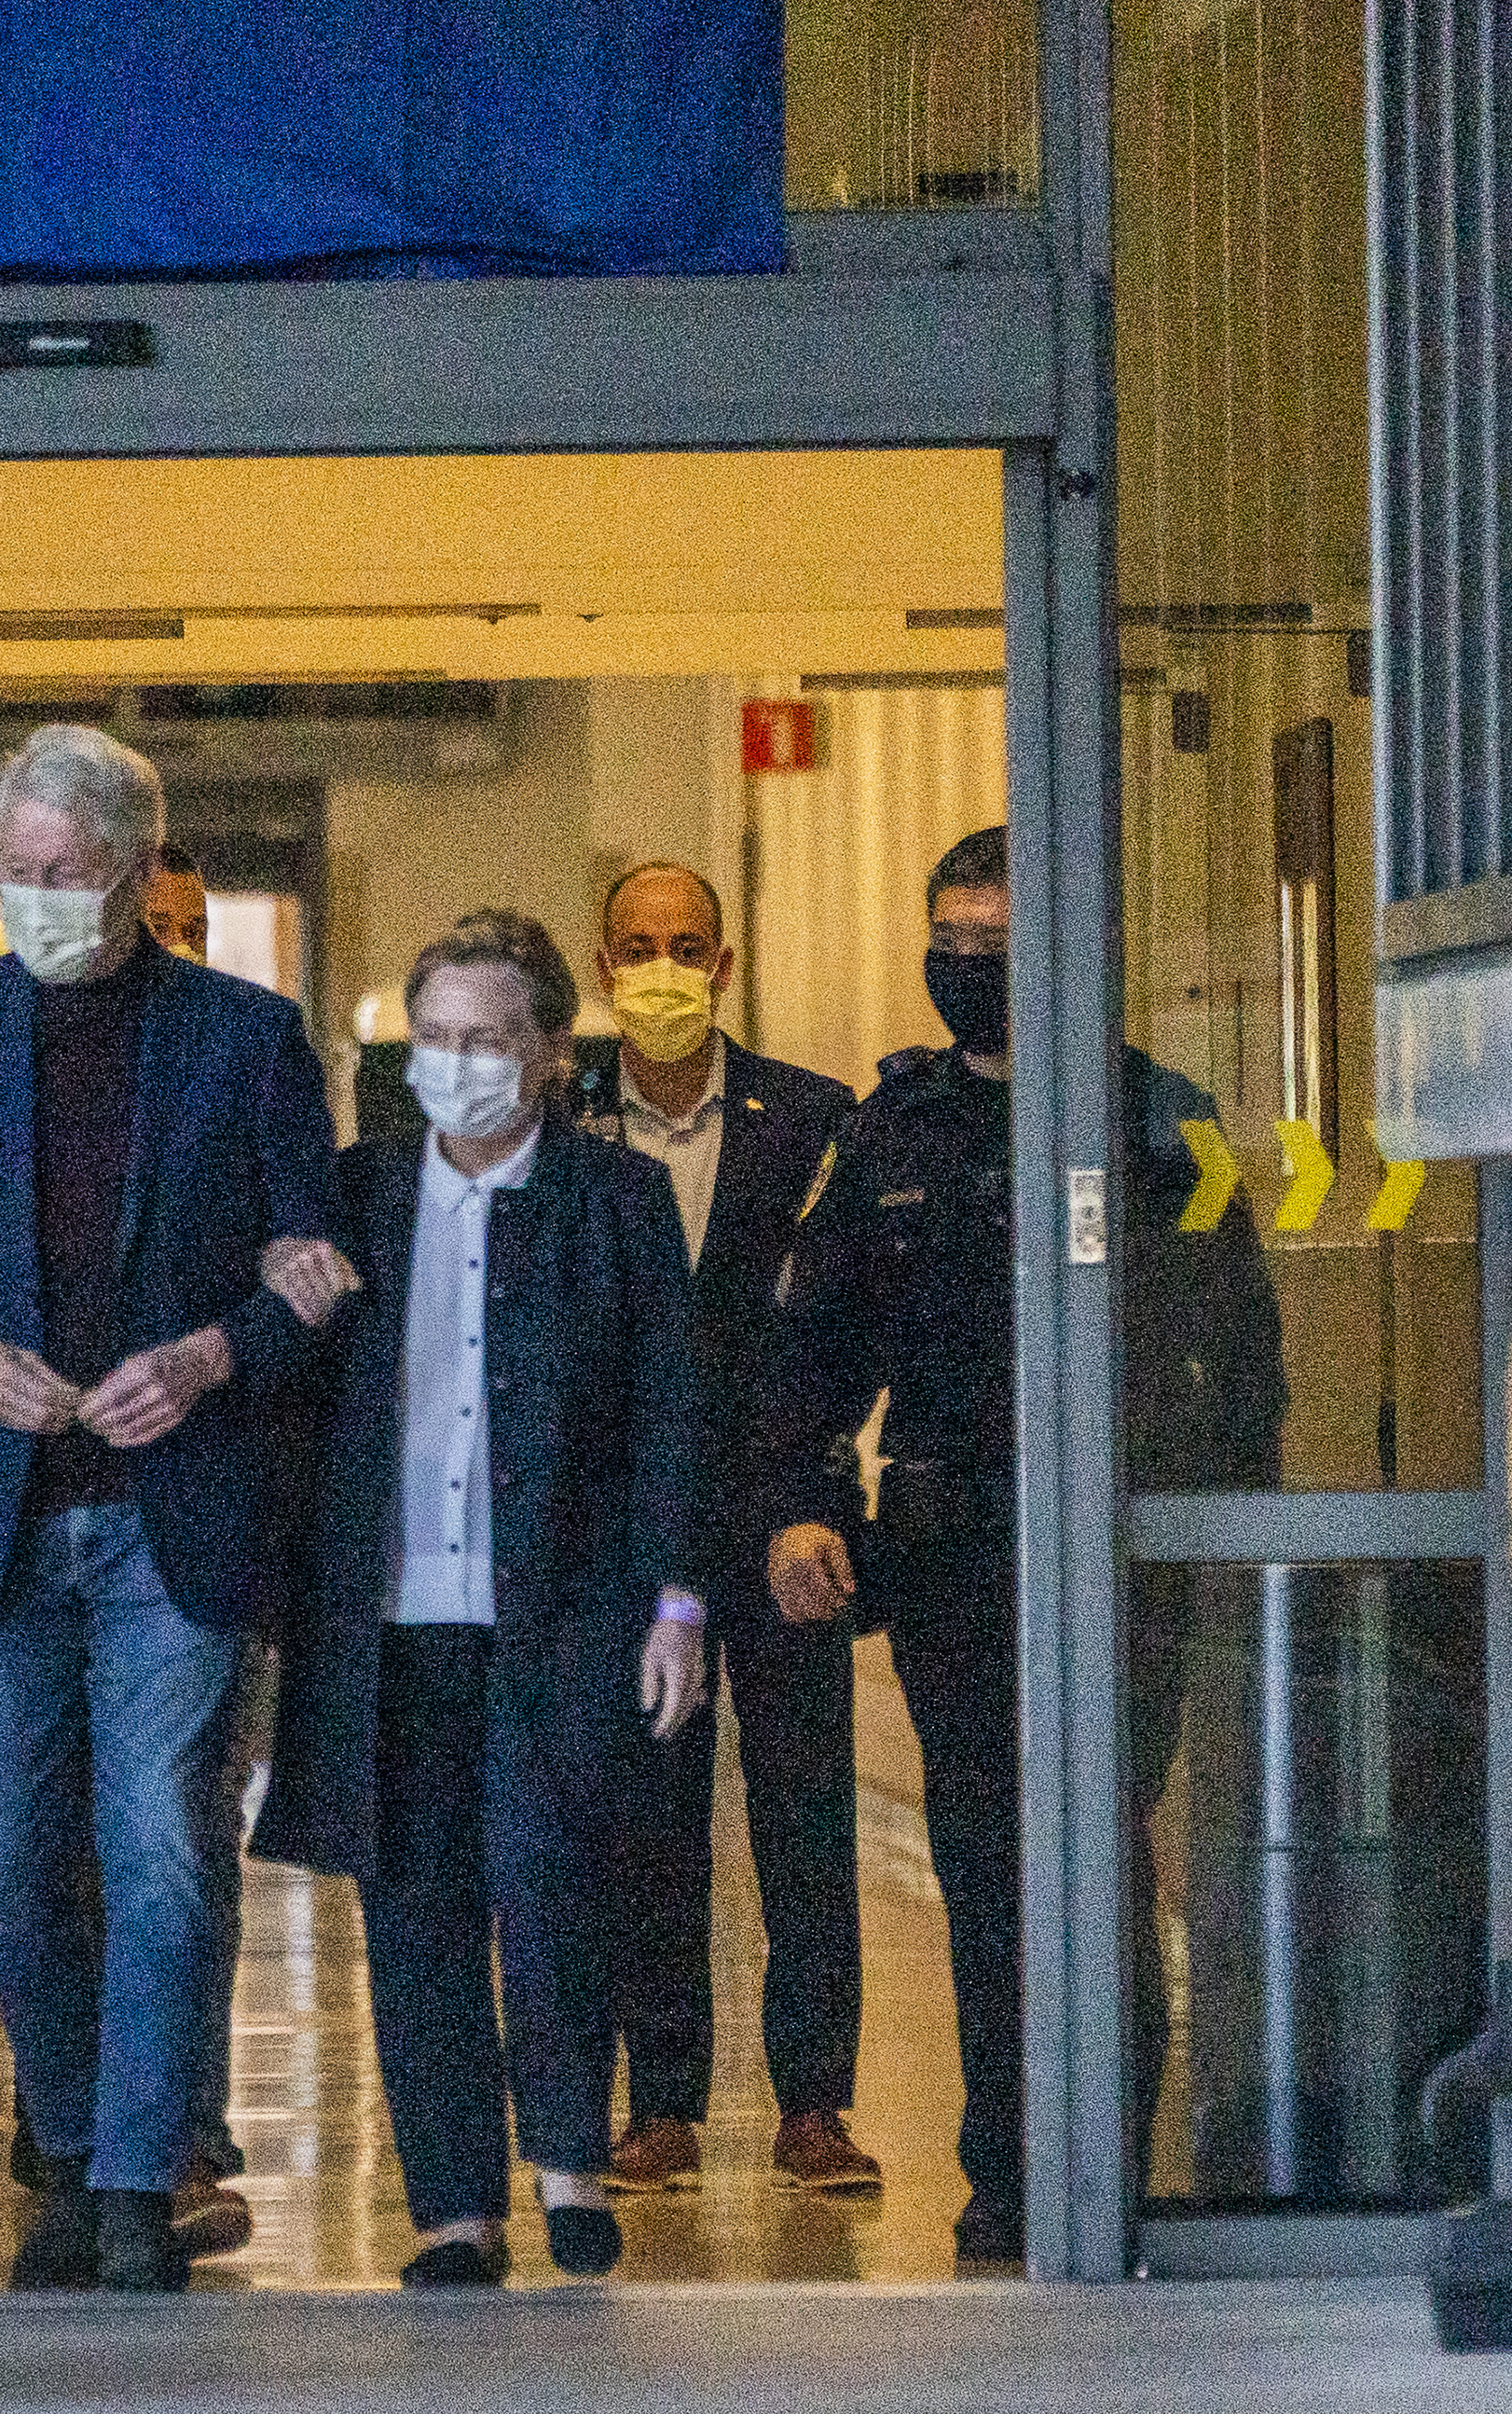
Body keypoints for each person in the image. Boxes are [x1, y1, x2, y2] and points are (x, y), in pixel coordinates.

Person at [0, 724, 345, 2293]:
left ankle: (132, 2180)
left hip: (173, 1515)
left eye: (64, 873)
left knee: (167, 1848)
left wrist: (204, 1355)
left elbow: (312, 1266)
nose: (34, 897)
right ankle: (68, 2126)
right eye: (14, 871)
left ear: (132, 871)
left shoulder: (247, 1041)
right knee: (13, 1877)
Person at [754, 827, 1283, 2263]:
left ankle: (1111, 2160)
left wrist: (1236, 1525)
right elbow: (813, 1347)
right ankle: (1012, 2171)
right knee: (987, 1865)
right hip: (951, 1552)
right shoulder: (892, 1134)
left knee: (1104, 1850)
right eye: (953, 944)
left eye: (1000, 946)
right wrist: (801, 1499)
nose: (970, 971)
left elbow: (1243, 1352)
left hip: (1125, 1546)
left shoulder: (1166, 1121)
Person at [254, 910, 708, 2289]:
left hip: (562, 1609)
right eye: (434, 1038)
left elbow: (669, 1406)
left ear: (550, 1052)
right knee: (417, 1910)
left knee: (552, 1882)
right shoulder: (355, 1195)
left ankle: (570, 2161)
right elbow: (293, 1389)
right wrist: (280, 1283)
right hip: (388, 1622)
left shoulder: (615, 1202)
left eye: (486, 1038)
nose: (456, 1063)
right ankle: (455, 2203)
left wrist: (678, 1600)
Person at [573, 862, 874, 2198]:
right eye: (638, 945)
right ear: (601, 965)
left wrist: (808, 1501)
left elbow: (847, 1317)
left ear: (726, 966)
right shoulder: (563, 1121)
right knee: (650, 1817)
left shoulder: (811, 1120)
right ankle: (666, 2102)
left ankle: (814, 2102)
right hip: (633, 1530)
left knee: (805, 1812)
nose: (663, 968)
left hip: (782, 1519)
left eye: (686, 946)